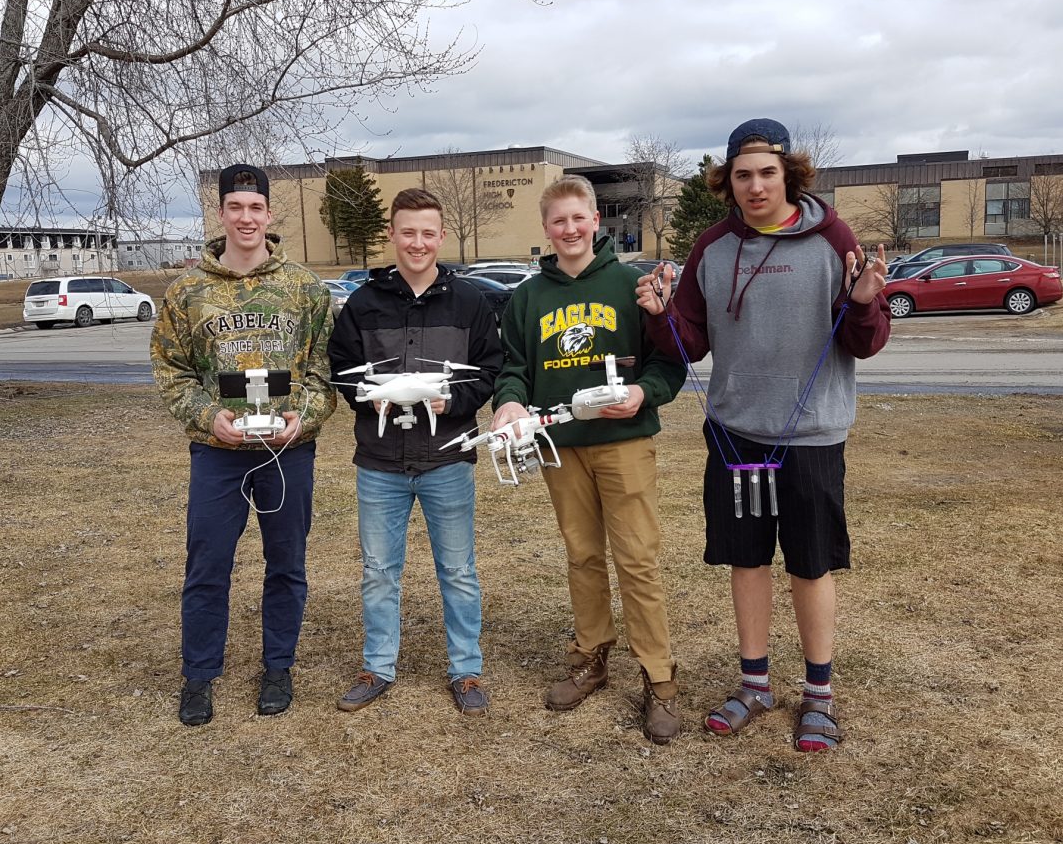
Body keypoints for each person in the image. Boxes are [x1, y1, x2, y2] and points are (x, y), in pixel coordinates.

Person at [637, 118, 890, 751]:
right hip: (734, 435)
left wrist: (863, 302)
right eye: (742, 175)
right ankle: (754, 683)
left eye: (766, 173)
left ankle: (819, 696)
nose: (755, 186)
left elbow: (864, 342)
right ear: (728, 181)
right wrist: (661, 316)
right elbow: (690, 342)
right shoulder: (713, 247)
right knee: (746, 561)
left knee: (810, 564)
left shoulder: (833, 238)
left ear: (789, 176)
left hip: (810, 436)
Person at [492, 175, 687, 744]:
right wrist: (508, 403)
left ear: (597, 220)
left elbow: (667, 362)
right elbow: (514, 367)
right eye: (559, 221)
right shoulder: (528, 297)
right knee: (582, 554)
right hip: (561, 444)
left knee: (637, 558)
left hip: (623, 442)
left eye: (579, 218)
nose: (570, 229)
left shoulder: (632, 284)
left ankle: (658, 676)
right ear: (546, 228)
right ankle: (591, 655)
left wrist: (643, 393)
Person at [150, 163, 337, 726]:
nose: (246, 217)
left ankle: (278, 666)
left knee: (287, 563)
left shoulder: (304, 287)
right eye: (236, 207)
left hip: (287, 450)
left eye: (255, 208)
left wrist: (299, 419)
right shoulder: (188, 290)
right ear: (221, 214)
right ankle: (199, 674)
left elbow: (326, 370)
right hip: (218, 454)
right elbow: (172, 370)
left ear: (269, 214)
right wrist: (210, 417)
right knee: (207, 565)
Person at [327, 188, 503, 716]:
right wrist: (369, 397)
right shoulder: (364, 302)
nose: (418, 242)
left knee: (459, 570)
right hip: (379, 463)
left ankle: (466, 670)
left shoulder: (470, 301)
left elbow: (489, 370)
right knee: (379, 570)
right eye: (408, 232)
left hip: (447, 457)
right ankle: (377, 666)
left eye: (428, 232)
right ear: (392, 235)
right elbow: (341, 369)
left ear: (441, 235)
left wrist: (452, 402)